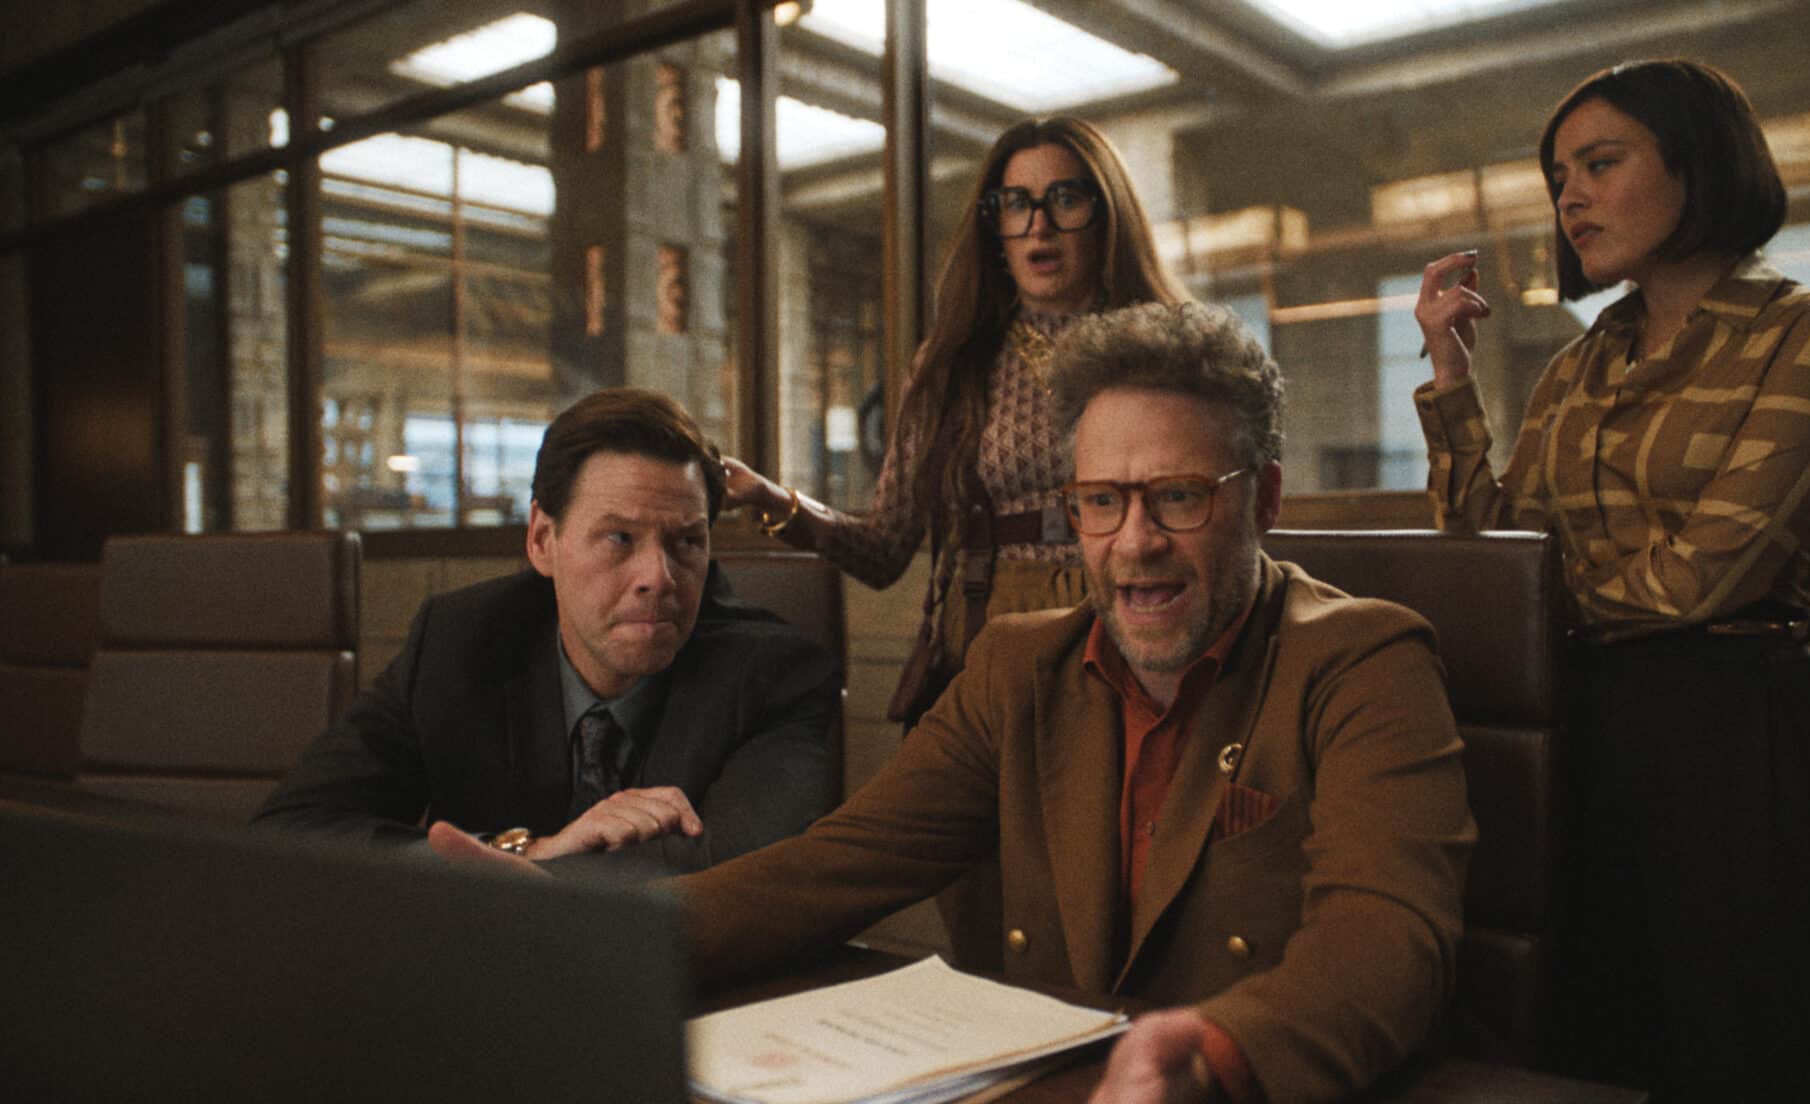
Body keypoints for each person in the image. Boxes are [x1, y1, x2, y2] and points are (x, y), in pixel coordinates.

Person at [433, 302, 1476, 1104]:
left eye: (1179, 496)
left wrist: (1212, 1049)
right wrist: (570, 943)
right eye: (1099, 503)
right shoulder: (1017, 666)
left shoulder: (1363, 659)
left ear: (1264, 500)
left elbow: (1383, 940)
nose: (1134, 542)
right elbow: (829, 869)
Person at [1411, 59, 1810, 1101]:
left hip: (1733, 730)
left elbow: (1703, 579)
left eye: (1599, 162)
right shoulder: (1580, 362)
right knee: (1593, 1034)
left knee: (1742, 1037)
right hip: (1581, 729)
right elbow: (1493, 556)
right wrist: (1449, 376)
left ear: (1696, 160)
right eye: (1557, 176)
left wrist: (1538, 617)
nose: (1568, 196)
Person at [724, 114, 1189, 968]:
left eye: (1063, 199)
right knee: (980, 913)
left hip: (1136, 644)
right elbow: (887, 547)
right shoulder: (954, 365)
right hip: (984, 654)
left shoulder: (1169, 345)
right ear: (992, 225)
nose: (1039, 225)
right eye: (1015, 204)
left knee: (1125, 913)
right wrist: (775, 503)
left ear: (1106, 211)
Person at [255, 388, 842, 875]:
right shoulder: (459, 643)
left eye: (686, 541)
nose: (658, 577)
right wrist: (529, 849)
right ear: (542, 540)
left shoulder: (774, 676)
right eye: (619, 539)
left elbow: (737, 875)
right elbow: (294, 832)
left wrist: (512, 874)